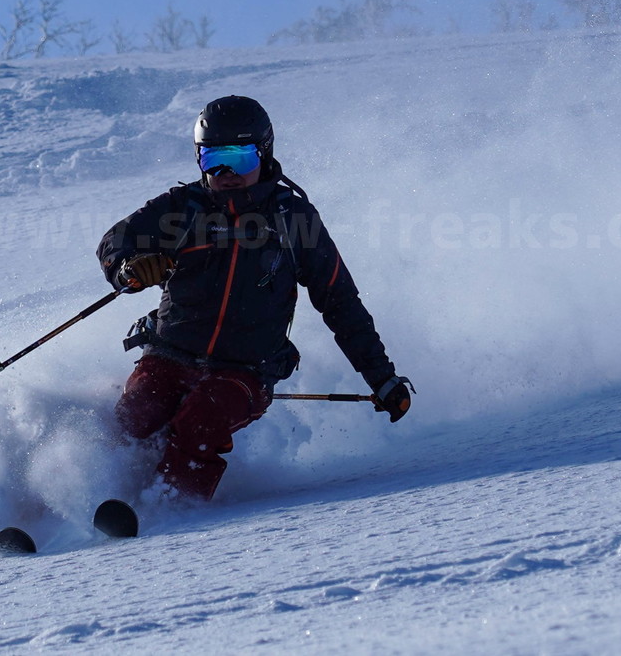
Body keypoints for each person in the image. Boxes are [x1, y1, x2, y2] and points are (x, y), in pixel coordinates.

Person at [97, 95, 412, 501]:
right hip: (170, 352)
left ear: (264, 154)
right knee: (134, 417)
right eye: (214, 160)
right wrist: (129, 269)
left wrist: (381, 378)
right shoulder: (181, 210)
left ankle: (167, 511)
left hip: (245, 370)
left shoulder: (293, 219)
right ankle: (93, 502)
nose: (226, 174)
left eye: (240, 160)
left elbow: (339, 301)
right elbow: (114, 242)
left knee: (201, 420)